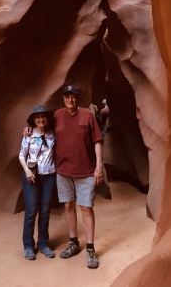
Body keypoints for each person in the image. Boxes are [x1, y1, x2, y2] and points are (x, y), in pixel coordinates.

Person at [55, 85, 104, 269]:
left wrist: (99, 166)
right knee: (68, 205)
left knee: (86, 208)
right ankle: (73, 242)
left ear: (77, 98)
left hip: (85, 172)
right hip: (63, 171)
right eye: (67, 97)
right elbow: (41, 127)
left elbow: (97, 141)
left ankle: (90, 249)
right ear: (63, 99)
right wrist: (27, 130)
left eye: (73, 97)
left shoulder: (87, 115)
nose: (70, 100)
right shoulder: (57, 115)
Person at [19, 105, 56, 261]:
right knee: (31, 211)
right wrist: (27, 171)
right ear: (33, 120)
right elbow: (21, 156)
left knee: (45, 211)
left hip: (48, 175)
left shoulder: (52, 134)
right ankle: (28, 246)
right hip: (31, 177)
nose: (41, 119)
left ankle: (43, 243)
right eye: (37, 117)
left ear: (47, 119)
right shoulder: (28, 134)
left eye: (43, 116)